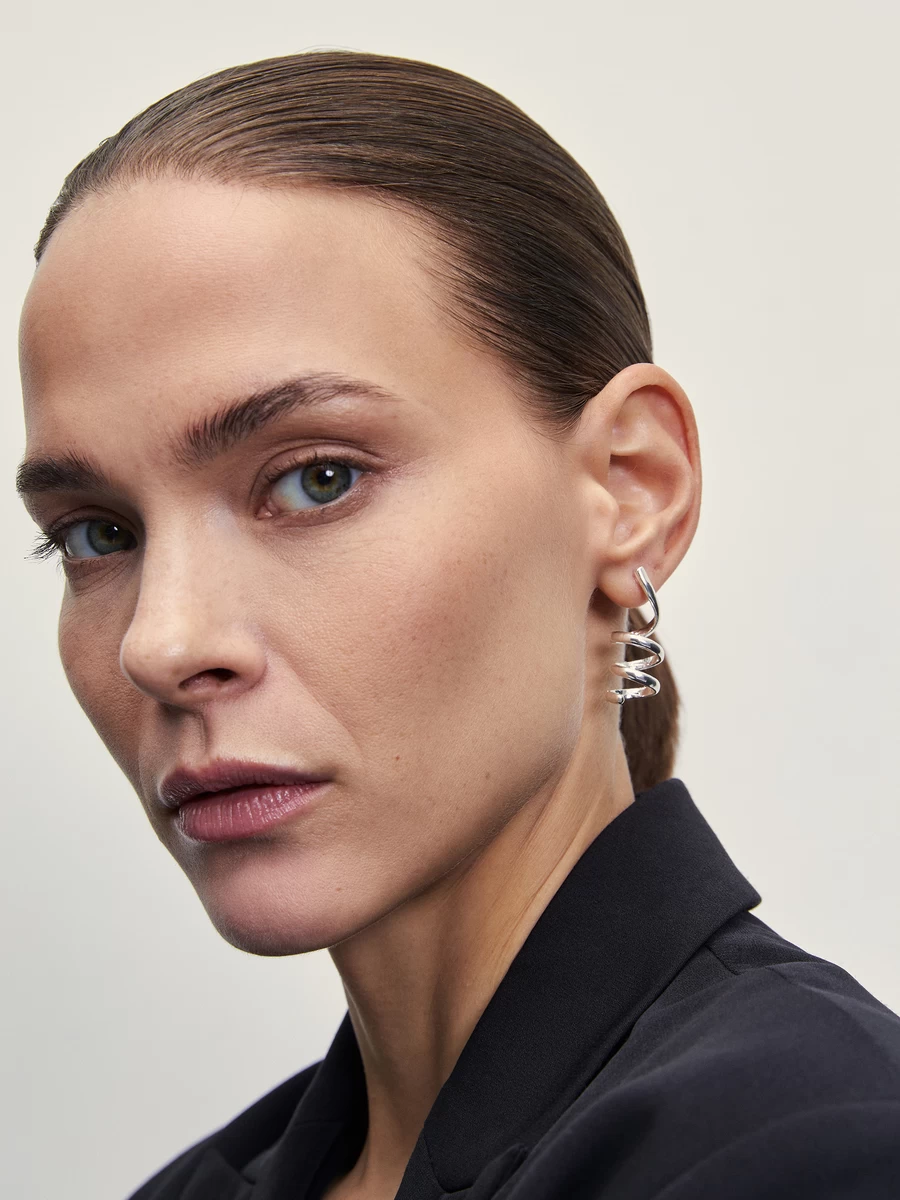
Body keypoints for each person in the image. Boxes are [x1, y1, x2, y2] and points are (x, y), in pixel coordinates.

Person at [15, 49, 900, 1200]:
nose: (162, 644)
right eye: (98, 534)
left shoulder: (814, 1149)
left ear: (629, 490)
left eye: (317, 479)